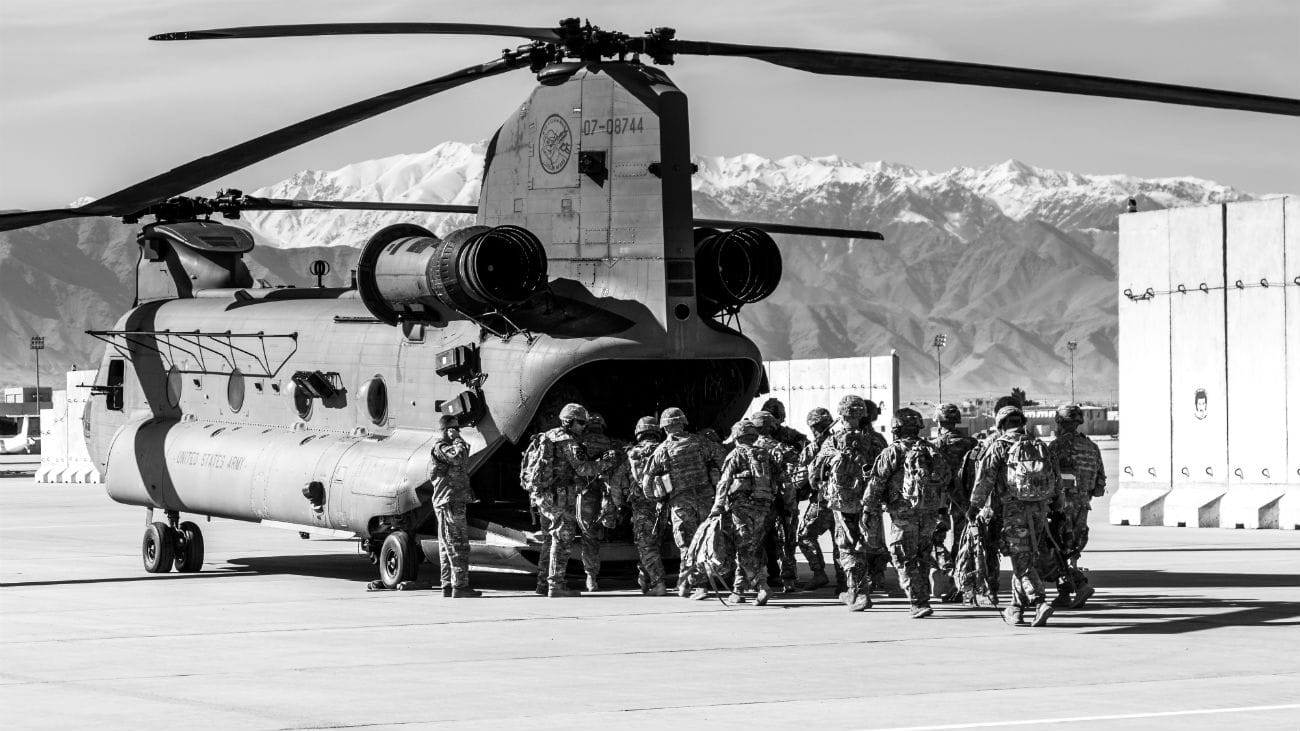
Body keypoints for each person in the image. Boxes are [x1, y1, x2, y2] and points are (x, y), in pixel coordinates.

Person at [969, 405, 1064, 626]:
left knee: (1021, 561)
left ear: (1001, 425)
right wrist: (1058, 507)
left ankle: (1039, 601)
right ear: (1022, 422)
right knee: (1025, 557)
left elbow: (984, 480)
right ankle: (1016, 608)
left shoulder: (999, 446)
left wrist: (974, 507)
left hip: (1012, 513)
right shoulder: (1040, 446)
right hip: (1039, 511)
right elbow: (1056, 480)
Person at [863, 408, 952, 618]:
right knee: (921, 555)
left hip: (903, 513)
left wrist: (868, 507)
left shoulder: (892, 451)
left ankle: (918, 601)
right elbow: (946, 478)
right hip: (929, 513)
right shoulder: (932, 450)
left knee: (903, 556)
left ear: (896, 427)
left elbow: (877, 481)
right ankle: (922, 598)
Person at [526, 403, 615, 598]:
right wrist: (604, 463)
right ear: (570, 422)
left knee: (549, 540)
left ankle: (543, 583)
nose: (584, 426)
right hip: (560, 497)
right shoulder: (568, 442)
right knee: (562, 540)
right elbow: (583, 469)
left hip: (542, 496)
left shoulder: (548, 435)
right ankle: (556, 584)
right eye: (581, 422)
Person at [812, 395, 884, 611]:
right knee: (869, 543)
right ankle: (866, 585)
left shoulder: (833, 441)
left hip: (842, 503)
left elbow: (815, 472)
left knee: (847, 547)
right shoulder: (877, 440)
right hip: (870, 502)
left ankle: (859, 592)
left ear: (841, 414)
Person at [645, 406, 724, 599]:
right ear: (683, 423)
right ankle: (688, 583)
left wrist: (654, 497)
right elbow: (723, 458)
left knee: (687, 544)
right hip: (706, 499)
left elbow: (647, 479)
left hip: (681, 502)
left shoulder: (663, 449)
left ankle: (699, 586)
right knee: (704, 541)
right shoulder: (701, 443)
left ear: (664, 427)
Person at [710, 419, 780, 605]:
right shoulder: (765, 455)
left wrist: (717, 507)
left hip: (742, 508)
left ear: (737, 437)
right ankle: (738, 590)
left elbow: (724, 483)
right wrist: (789, 506)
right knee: (750, 546)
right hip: (764, 508)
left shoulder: (736, 454)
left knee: (744, 547)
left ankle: (762, 585)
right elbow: (784, 481)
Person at [1046, 403, 1107, 608]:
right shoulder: (1091, 447)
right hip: (1083, 505)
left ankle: (1079, 586)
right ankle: (1064, 593)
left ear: (1060, 422)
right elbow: (1100, 484)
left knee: (1057, 548)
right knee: (1071, 549)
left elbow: (1049, 477)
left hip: (1063, 505)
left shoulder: (1057, 446)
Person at [608, 416, 669, 596]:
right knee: (654, 543)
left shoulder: (633, 454)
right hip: (662, 505)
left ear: (639, 433)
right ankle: (645, 576)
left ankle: (659, 584)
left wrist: (619, 506)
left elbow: (616, 484)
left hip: (641, 506)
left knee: (646, 545)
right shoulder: (664, 450)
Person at [931, 403, 979, 602]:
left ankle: (948, 570)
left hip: (942, 501)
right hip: (966, 501)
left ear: (938, 421)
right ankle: (964, 584)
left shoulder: (935, 445)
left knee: (935, 540)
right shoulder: (972, 443)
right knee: (963, 544)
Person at [429, 415, 481, 597]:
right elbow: (459, 457)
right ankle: (460, 586)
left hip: (450, 500)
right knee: (458, 544)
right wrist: (457, 439)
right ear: (447, 430)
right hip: (449, 501)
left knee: (446, 545)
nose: (458, 432)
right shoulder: (441, 447)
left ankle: (447, 585)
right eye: (455, 428)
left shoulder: (447, 447)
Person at [750, 410, 799, 593]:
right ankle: (788, 580)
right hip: (781, 501)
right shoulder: (782, 448)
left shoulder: (748, 449)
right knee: (785, 539)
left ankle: (759, 579)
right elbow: (796, 475)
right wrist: (790, 500)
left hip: (757, 502)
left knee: (757, 540)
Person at [795, 407, 843, 591]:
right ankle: (843, 581)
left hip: (823, 501)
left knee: (805, 535)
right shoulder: (842, 441)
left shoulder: (814, 448)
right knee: (840, 540)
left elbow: (799, 479)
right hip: (844, 501)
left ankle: (819, 573)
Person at [577, 412, 622, 592]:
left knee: (588, 535)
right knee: (603, 527)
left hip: (586, 492)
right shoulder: (612, 444)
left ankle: (591, 576)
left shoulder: (579, 442)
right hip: (607, 493)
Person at [859, 399, 892, 594]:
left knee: (852, 539)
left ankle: (857, 578)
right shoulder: (878, 439)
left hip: (852, 498)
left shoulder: (842, 438)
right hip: (873, 497)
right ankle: (876, 576)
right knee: (875, 538)